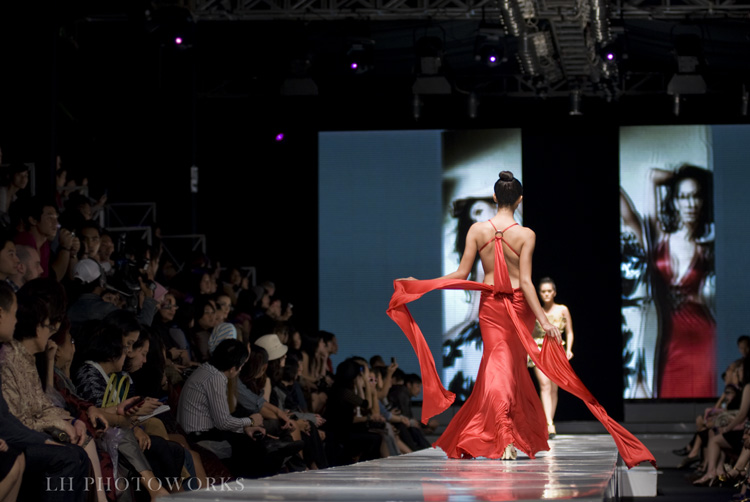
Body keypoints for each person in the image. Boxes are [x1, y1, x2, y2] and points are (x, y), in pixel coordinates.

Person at [388, 171, 655, 467]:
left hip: (490, 307)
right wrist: (544, 320)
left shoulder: (477, 230)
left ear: (494, 198)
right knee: (505, 368)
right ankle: (505, 436)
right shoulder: (526, 234)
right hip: (518, 307)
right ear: (519, 200)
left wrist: (421, 283)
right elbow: (526, 283)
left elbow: (461, 275)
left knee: (503, 368)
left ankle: (506, 435)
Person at [620, 164, 715, 398]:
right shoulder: (659, 239)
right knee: (668, 396)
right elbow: (651, 176)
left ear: (703, 202)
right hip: (670, 338)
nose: (690, 204)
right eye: (683, 197)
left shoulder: (707, 249)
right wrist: (685, 175)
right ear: (674, 202)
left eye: (696, 197)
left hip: (704, 336)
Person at [529, 277, 574, 439]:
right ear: (539, 294)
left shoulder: (563, 310)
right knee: (545, 385)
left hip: (556, 351)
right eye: (543, 291)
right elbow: (532, 333)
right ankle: (549, 423)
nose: (546, 294)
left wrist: (569, 349)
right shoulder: (536, 311)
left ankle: (550, 420)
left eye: (549, 291)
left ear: (554, 292)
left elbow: (569, 331)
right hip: (539, 350)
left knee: (554, 387)